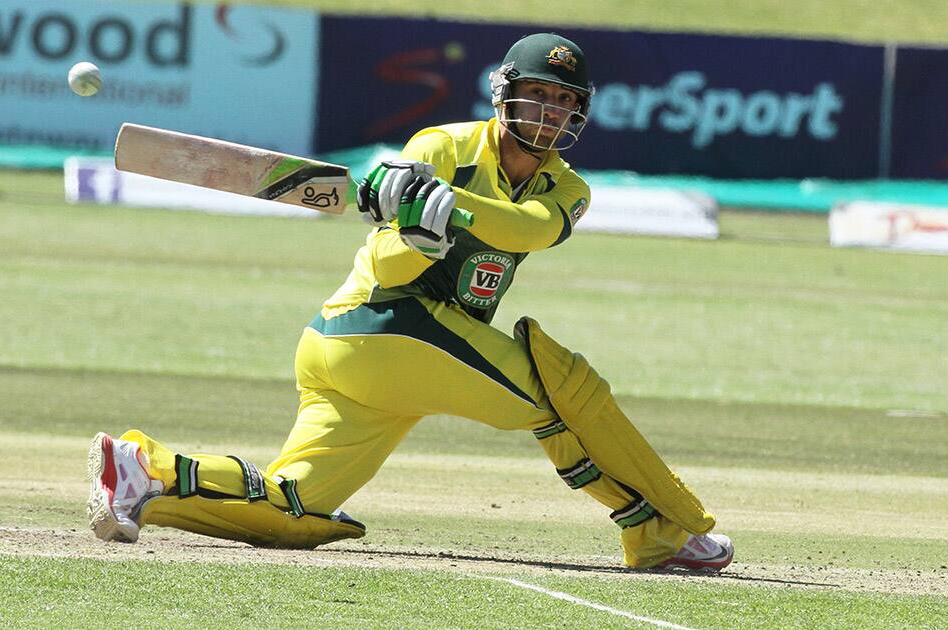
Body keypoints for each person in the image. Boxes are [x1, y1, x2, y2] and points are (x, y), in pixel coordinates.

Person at [87, 32, 734, 572]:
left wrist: (445, 208)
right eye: (538, 95)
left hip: (381, 359)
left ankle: (144, 472)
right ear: (505, 95)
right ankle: (663, 532)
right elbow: (391, 266)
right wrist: (422, 235)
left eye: (564, 101)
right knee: (562, 395)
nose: (549, 112)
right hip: (381, 326)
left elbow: (528, 229)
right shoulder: (439, 149)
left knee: (295, 509)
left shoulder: (567, 189)